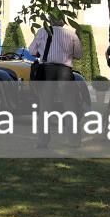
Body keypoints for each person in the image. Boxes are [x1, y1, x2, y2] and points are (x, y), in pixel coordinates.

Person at [28, 17, 84, 147]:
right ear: (63, 21)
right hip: (65, 70)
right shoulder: (71, 34)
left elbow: (31, 51)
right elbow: (79, 54)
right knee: (70, 106)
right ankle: (74, 140)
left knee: (45, 107)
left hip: (46, 70)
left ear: (50, 21)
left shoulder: (42, 32)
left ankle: (43, 141)